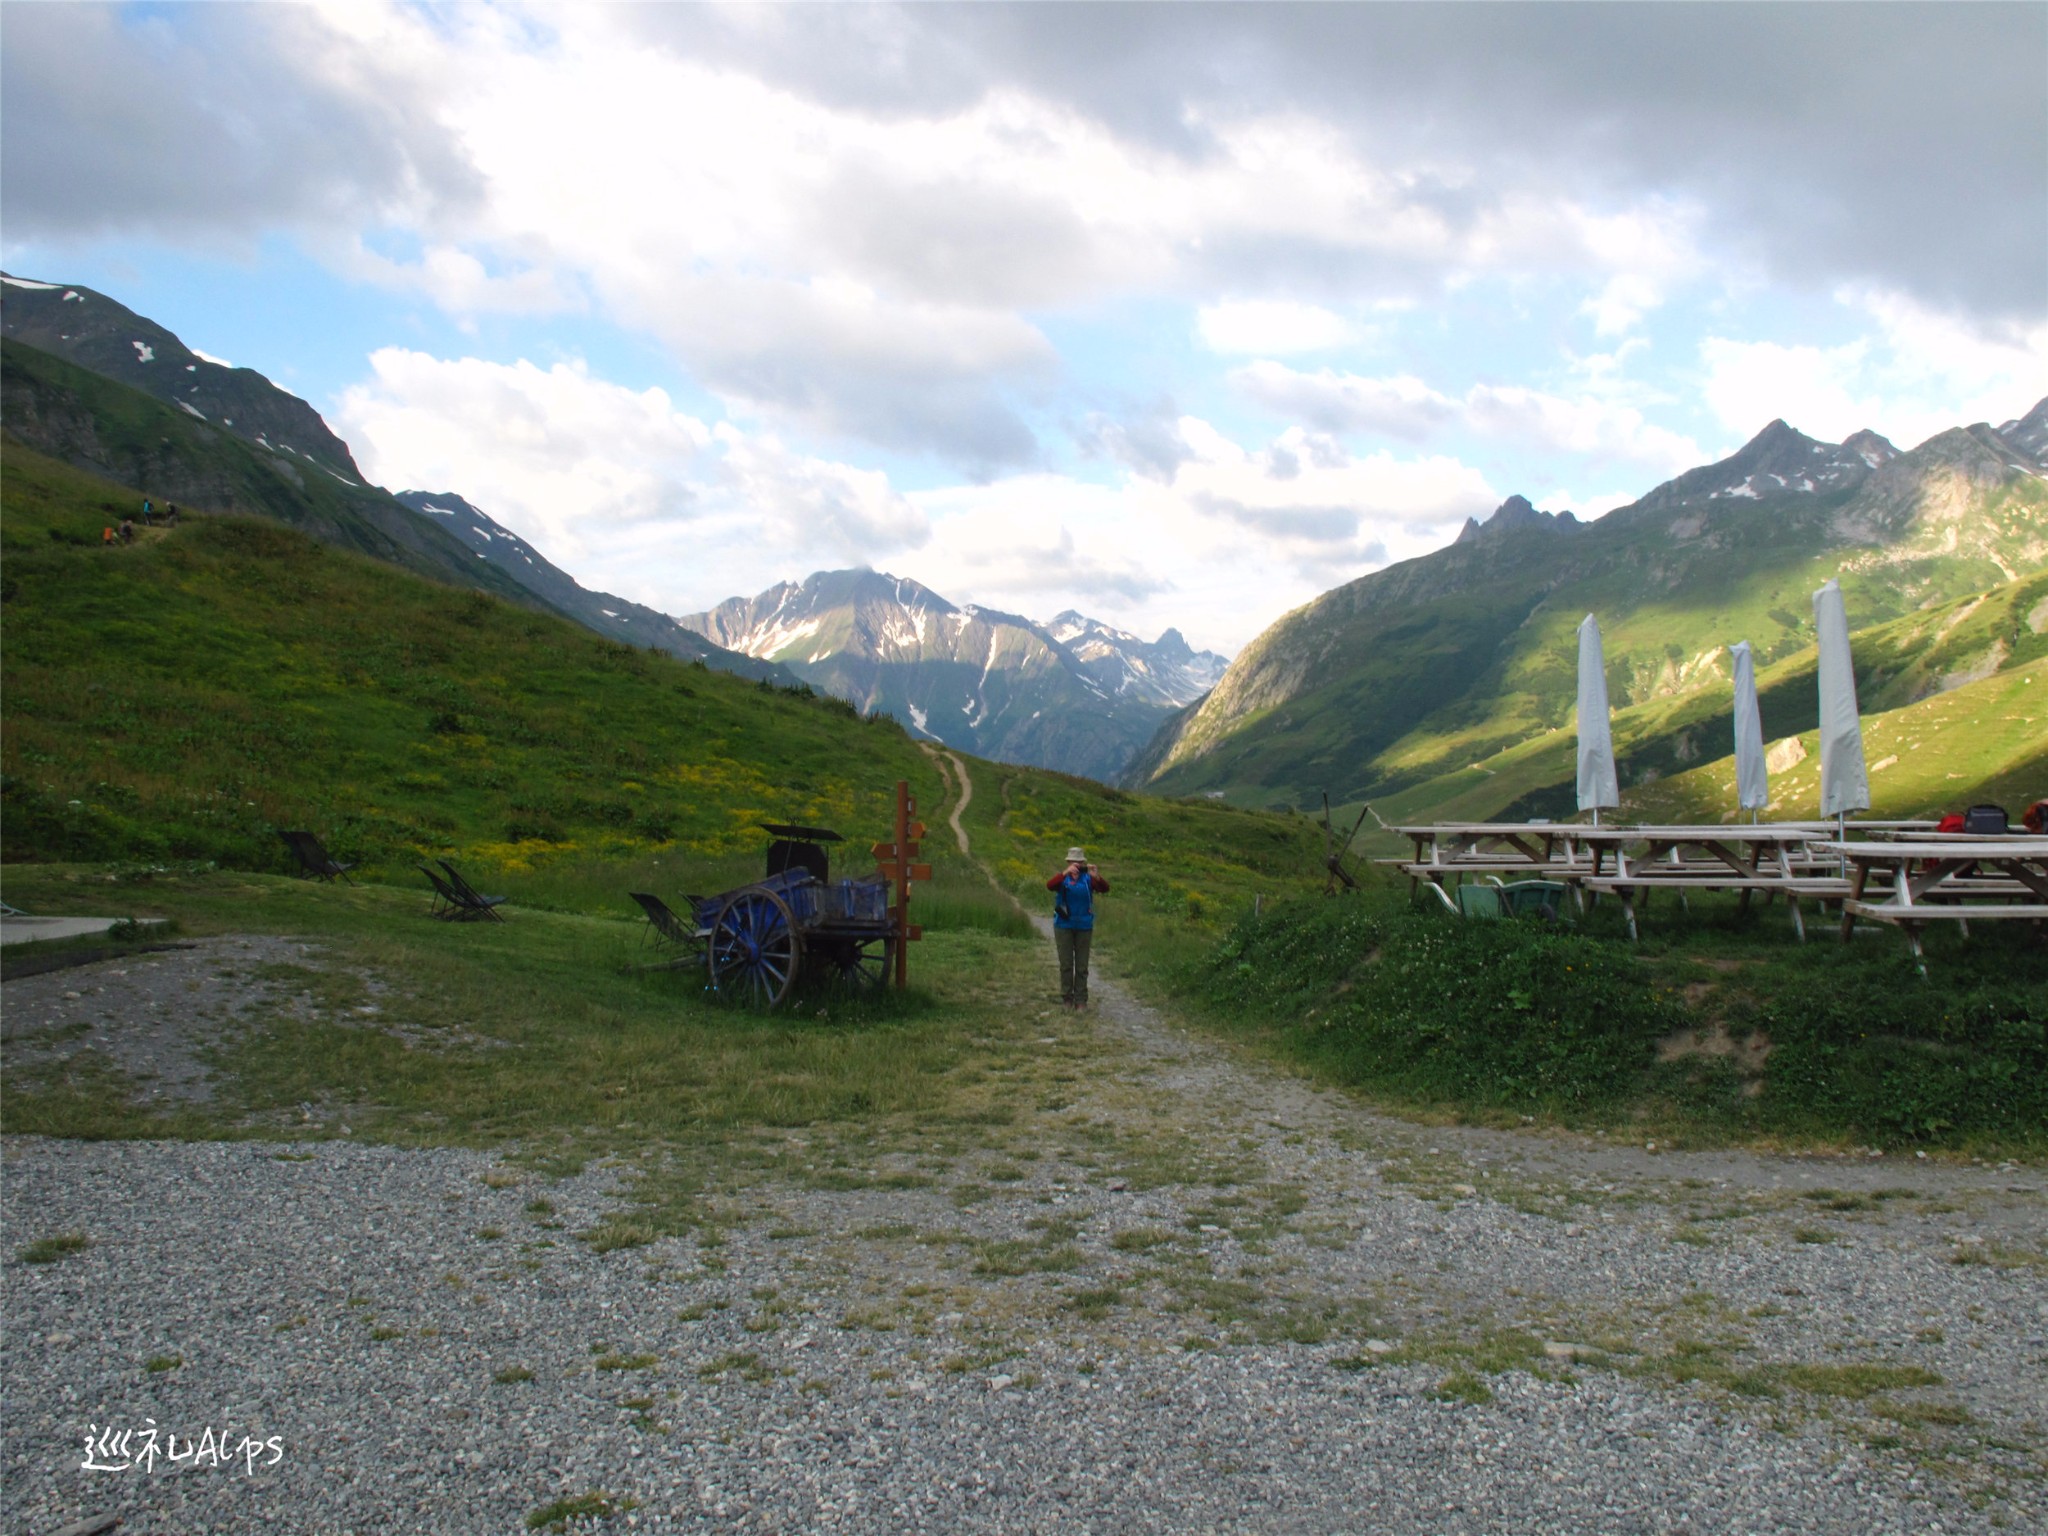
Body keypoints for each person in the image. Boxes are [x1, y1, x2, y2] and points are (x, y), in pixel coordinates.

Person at [1046, 846, 1109, 1010]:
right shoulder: (1063, 879)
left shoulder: (1088, 879)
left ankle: (1081, 1000)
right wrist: (1065, 873)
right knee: (1066, 964)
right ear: (1068, 862)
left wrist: (1097, 876)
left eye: (1079, 862)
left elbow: (1105, 888)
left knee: (1082, 965)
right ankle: (1067, 998)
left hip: (1084, 925)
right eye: (1073, 862)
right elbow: (1050, 885)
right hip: (1064, 925)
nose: (1077, 865)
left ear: (1083, 863)